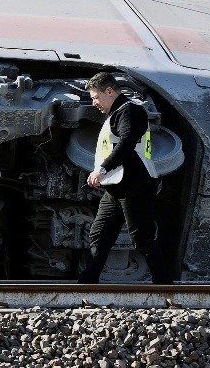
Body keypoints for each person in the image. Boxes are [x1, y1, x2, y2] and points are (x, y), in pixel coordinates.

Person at [78, 72, 172, 284]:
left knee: (143, 240)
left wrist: (101, 169)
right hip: (117, 187)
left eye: (95, 97)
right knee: (100, 235)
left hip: (135, 186)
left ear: (109, 91)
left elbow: (127, 142)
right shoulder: (119, 113)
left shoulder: (130, 110)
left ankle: (165, 287)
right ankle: (86, 284)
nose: (94, 103)